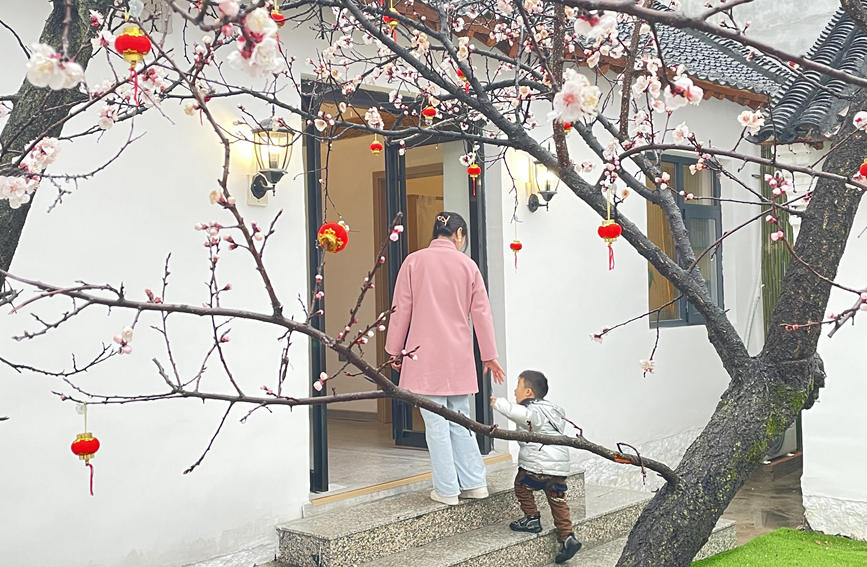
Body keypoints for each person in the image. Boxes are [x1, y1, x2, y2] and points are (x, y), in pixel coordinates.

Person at [385, 211, 505, 506]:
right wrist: (489, 355)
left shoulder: (413, 261)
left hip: (423, 357)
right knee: (460, 420)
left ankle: (447, 490)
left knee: (436, 426)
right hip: (458, 357)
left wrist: (394, 349)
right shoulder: (468, 266)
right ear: (459, 234)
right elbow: (482, 313)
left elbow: (401, 309)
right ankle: (475, 483)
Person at [490, 370, 582, 564]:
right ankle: (567, 536)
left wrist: (499, 403)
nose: (515, 391)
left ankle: (531, 518)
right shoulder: (553, 410)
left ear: (529, 392)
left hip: (537, 468)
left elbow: (522, 415)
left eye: (517, 387)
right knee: (558, 500)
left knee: (521, 485)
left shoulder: (534, 411)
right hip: (557, 471)